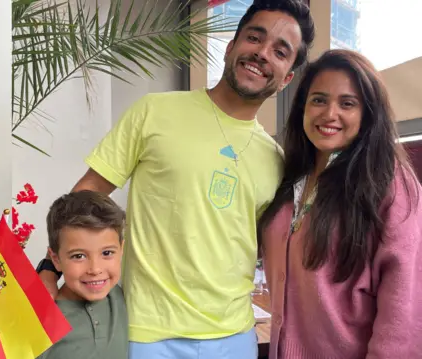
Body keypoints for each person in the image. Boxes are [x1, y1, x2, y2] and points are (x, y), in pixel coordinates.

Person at [33, 1, 315, 358]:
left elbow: (258, 245)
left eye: (279, 51)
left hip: (234, 336)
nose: (261, 53)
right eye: (254, 38)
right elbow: (84, 198)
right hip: (148, 334)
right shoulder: (154, 111)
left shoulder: (275, 160)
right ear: (231, 46)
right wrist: (47, 269)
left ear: (287, 76)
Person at [258, 49, 422, 359]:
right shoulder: (290, 178)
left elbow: (412, 311)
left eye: (347, 103)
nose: (329, 113)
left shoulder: (389, 184)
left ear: (368, 114)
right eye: (319, 99)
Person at [0, 190, 128, 359]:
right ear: (55, 259)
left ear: (121, 249)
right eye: (78, 256)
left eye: (107, 253)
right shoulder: (37, 322)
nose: (95, 269)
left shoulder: (122, 296)